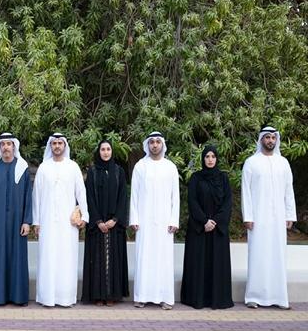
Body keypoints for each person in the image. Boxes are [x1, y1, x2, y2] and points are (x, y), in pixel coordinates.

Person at [242, 126, 296, 309]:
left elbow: (289, 191)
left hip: (278, 217)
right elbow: (246, 192)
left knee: (278, 256)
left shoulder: (284, 163)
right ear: (261, 140)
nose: (270, 140)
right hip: (258, 218)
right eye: (267, 137)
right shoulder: (251, 162)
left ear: (276, 140)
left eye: (273, 137)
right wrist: (247, 216)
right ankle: (254, 297)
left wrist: (290, 214)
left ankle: (279, 298)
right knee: (258, 255)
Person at [32, 133, 89, 307]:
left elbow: (81, 193)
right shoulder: (43, 168)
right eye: (54, 143)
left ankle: (66, 298)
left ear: (64, 146)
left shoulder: (73, 167)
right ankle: (47, 297)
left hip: (68, 224)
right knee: (48, 258)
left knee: (67, 258)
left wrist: (85, 216)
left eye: (60, 143)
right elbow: (37, 197)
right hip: (47, 222)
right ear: (50, 146)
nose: (57, 146)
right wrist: (36, 222)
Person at [129, 131, 179, 310]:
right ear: (147, 145)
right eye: (152, 142)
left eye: (158, 142)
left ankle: (165, 297)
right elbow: (134, 195)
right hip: (144, 221)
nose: (155, 145)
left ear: (162, 144)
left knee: (164, 259)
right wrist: (134, 218)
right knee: (144, 258)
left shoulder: (170, 167)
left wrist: (174, 220)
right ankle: (142, 296)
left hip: (165, 222)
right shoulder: (140, 166)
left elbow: (176, 197)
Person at [180, 145, 234, 309]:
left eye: (213, 156)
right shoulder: (196, 178)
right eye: (207, 157)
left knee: (217, 265)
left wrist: (215, 221)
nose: (210, 159)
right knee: (198, 264)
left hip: (217, 229)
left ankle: (217, 300)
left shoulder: (223, 178)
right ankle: (197, 299)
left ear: (217, 159)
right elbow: (192, 201)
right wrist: (204, 221)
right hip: (199, 228)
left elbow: (228, 202)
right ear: (203, 159)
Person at [0, 132, 32, 306]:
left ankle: (18, 297)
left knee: (18, 258)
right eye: (3, 144)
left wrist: (27, 220)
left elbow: (29, 197)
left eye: (9, 144)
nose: (6, 147)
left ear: (14, 147)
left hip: (18, 223)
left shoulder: (22, 169)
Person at [81, 139, 129, 306]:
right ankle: (97, 295)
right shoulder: (93, 173)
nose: (106, 152)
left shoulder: (119, 172)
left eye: (108, 149)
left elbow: (123, 197)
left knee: (113, 259)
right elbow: (89, 198)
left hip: (114, 225)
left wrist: (115, 219)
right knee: (97, 259)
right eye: (103, 149)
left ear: (112, 152)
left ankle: (111, 295)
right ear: (98, 152)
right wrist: (98, 221)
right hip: (97, 225)